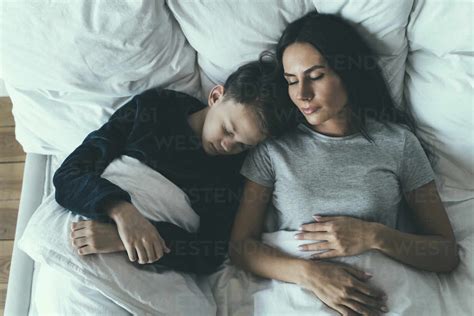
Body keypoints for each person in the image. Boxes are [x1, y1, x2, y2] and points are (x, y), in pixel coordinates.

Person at [229, 12, 459, 316]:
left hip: (382, 298)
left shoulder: (398, 143)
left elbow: (445, 254)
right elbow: (240, 247)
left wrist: (374, 235)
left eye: (315, 76)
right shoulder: (274, 148)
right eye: (291, 81)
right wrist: (309, 275)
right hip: (300, 296)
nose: (302, 94)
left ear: (347, 71)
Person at [53, 57, 296, 274]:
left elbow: (208, 255)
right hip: (88, 221)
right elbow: (69, 173)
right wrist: (121, 211)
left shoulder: (230, 174)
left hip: (148, 259)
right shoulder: (153, 109)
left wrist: (121, 239)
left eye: (243, 145)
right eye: (228, 130)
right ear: (215, 96)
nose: (228, 146)